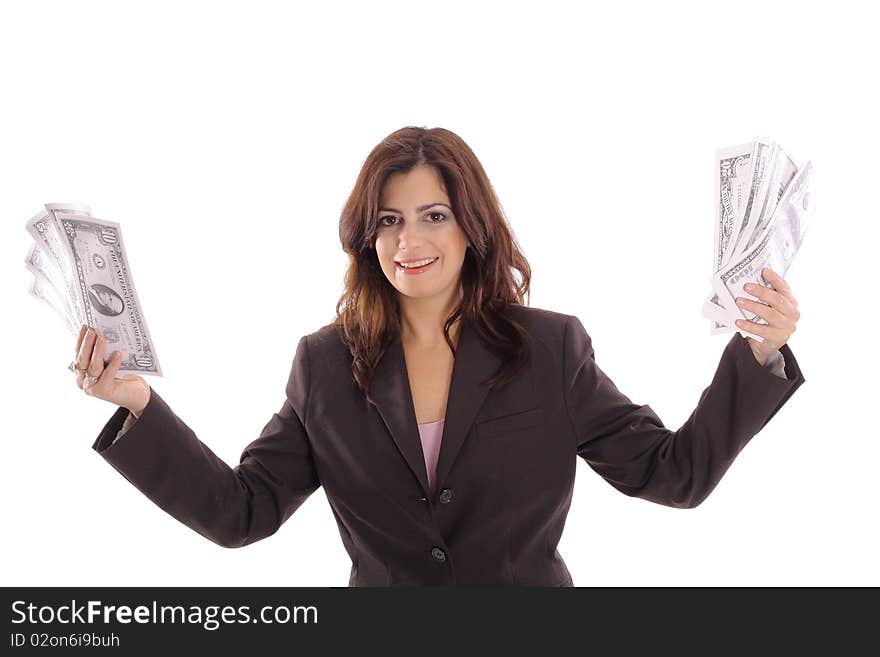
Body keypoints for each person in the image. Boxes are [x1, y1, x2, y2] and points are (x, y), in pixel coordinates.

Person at [73, 126, 805, 586]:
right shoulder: (324, 366)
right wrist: (137, 403)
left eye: (433, 216)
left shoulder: (550, 348)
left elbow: (672, 474)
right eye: (389, 220)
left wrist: (760, 352)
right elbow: (243, 512)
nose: (408, 242)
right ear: (367, 235)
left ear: (470, 229)